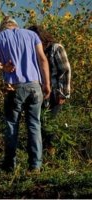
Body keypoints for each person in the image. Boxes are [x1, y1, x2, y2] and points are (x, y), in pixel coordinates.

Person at [0, 16, 51, 173]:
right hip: (35, 86)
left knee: (12, 125)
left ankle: (9, 166)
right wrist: (46, 84)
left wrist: (2, 67)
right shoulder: (32, 35)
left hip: (14, 87)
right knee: (34, 125)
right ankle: (35, 166)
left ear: (2, 27)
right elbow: (43, 59)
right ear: (15, 25)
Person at [28, 25, 71, 154]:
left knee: (50, 122)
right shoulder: (36, 51)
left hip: (56, 92)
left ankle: (51, 151)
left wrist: (63, 94)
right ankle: (43, 150)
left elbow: (65, 71)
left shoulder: (56, 48)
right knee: (41, 121)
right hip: (40, 92)